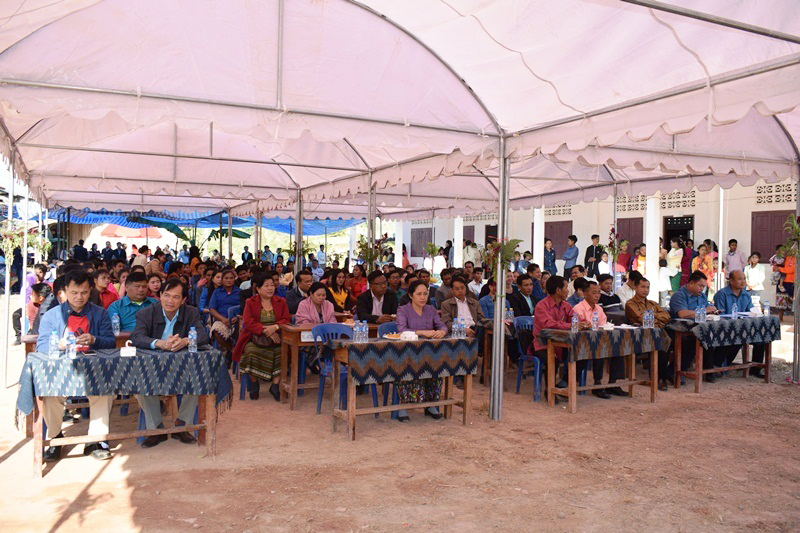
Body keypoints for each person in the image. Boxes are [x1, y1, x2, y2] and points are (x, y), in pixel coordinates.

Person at [36, 270, 115, 462]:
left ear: (90, 291)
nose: (79, 297)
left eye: (84, 292)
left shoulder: (100, 314)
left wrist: (94, 339)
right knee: (50, 393)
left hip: (94, 370)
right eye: (74, 292)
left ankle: (95, 440)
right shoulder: (52, 316)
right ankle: (55, 438)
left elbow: (110, 342)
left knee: (104, 392)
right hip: (61, 371)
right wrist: (60, 344)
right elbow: (41, 346)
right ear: (64, 291)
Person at [130, 279, 209, 447]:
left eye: (176, 297)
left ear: (183, 300)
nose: (170, 301)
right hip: (152, 366)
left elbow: (203, 335)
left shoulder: (191, 312)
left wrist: (186, 341)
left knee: (198, 379)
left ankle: (182, 425)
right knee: (139, 383)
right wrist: (160, 343)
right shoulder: (146, 313)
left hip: (181, 366)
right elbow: (137, 337)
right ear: (160, 295)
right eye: (166, 295)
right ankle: (156, 428)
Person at [234, 272, 291, 401]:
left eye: (272, 285)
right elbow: (248, 322)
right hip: (255, 337)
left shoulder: (281, 301)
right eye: (266, 286)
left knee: (283, 352)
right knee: (251, 352)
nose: (270, 288)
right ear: (258, 289)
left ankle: (275, 385)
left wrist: (275, 327)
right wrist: (267, 331)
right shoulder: (250, 302)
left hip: (277, 336)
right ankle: (254, 383)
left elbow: (286, 319)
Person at [395, 280, 447, 422]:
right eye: (419, 294)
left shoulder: (431, 309)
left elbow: (442, 325)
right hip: (408, 352)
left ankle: (431, 404)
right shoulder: (403, 310)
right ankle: (403, 406)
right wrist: (423, 332)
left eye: (425, 294)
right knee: (408, 368)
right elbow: (401, 330)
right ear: (411, 295)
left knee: (437, 368)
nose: (423, 297)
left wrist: (442, 332)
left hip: (429, 351)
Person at [572, 281, 627, 398]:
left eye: (598, 293)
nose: (597, 296)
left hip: (599, 339)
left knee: (619, 347)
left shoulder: (599, 308)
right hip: (583, 343)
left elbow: (603, 325)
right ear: (585, 294)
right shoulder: (578, 308)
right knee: (599, 349)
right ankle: (597, 384)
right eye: (594, 293)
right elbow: (579, 327)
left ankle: (613, 383)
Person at [532, 275, 585, 391]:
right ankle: (549, 391)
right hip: (543, 344)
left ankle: (564, 383)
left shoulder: (566, 305)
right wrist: (570, 325)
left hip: (563, 343)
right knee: (553, 360)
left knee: (582, 354)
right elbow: (549, 324)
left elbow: (574, 318)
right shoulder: (541, 306)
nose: (568, 291)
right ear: (558, 290)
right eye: (566, 287)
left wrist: (583, 323)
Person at [669, 271, 719, 382]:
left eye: (704, 287)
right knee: (694, 341)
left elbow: (707, 308)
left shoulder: (701, 296)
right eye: (700, 286)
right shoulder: (679, 295)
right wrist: (705, 310)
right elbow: (682, 314)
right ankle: (674, 372)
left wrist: (712, 311)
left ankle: (710, 369)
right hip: (679, 331)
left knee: (715, 335)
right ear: (691, 283)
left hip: (698, 329)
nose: (702, 289)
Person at [624, 276, 671, 390]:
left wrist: (652, 316)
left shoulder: (652, 303)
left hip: (656, 332)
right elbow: (641, 318)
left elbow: (667, 316)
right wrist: (657, 319)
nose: (646, 290)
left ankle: (664, 376)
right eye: (643, 287)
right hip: (639, 335)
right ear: (636, 287)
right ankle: (657, 378)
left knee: (669, 341)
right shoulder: (630, 304)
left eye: (648, 287)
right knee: (659, 343)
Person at [208, 269, 241, 346]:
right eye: (226, 278)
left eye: (231, 278)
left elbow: (244, 308)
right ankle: (230, 349)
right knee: (216, 331)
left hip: (236, 320)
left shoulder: (240, 292)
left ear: (234, 279)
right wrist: (222, 319)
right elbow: (212, 309)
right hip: (221, 319)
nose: (229, 280)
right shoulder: (217, 292)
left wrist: (237, 317)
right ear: (222, 280)